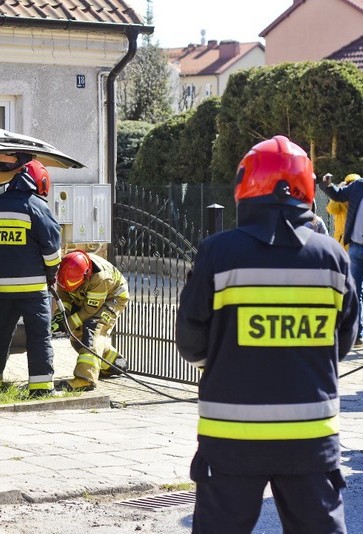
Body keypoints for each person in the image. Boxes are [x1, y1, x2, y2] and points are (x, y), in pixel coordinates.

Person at [176, 135, 357, 534]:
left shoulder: (218, 252)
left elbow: (189, 342)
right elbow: (342, 343)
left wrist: (228, 356)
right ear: (305, 189)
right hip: (311, 440)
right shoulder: (333, 258)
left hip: (231, 437)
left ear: (245, 186)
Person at [0, 160, 61, 397]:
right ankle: (42, 387)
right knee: (39, 335)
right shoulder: (37, 207)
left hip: (2, 287)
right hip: (33, 288)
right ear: (41, 183)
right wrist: (50, 274)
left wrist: (6, 262)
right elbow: (53, 251)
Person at [52, 250, 130, 390]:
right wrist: (60, 316)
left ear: (86, 275)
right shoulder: (66, 269)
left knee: (93, 330)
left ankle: (85, 379)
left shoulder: (100, 278)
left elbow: (89, 311)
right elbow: (64, 295)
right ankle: (113, 362)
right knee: (77, 335)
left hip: (112, 298)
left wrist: (66, 324)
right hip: (87, 295)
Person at [320, 171, 363, 347]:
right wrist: (328, 185)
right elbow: (338, 196)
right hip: (355, 247)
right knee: (354, 292)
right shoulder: (359, 185)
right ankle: (358, 335)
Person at [326, 173, 361, 249]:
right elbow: (331, 209)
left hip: (357, 241)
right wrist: (338, 193)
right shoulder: (341, 201)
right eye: (348, 184)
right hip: (341, 242)